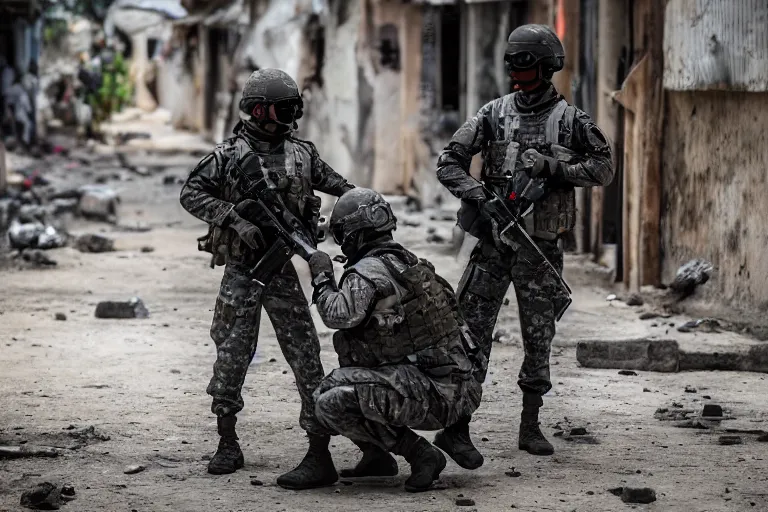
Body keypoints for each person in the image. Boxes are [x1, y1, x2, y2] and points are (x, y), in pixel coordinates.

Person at [434, 24, 614, 463]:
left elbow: (603, 167)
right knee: (471, 335)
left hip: (539, 248)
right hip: (494, 243)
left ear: (548, 66)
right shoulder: (493, 114)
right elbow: (448, 163)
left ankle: (530, 424)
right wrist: (479, 195)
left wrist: (554, 168)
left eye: (526, 63)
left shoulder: (569, 121)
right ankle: (457, 428)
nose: (518, 72)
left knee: (539, 337)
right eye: (513, 62)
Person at [179, 68, 355, 489]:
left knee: (306, 356)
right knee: (232, 353)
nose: (293, 114)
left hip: (281, 272)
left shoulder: (302, 154)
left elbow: (344, 189)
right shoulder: (227, 156)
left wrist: (344, 220)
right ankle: (227, 441)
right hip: (243, 271)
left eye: (295, 106)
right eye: (285, 107)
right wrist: (234, 218)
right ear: (260, 110)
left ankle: (318, 450)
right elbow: (191, 194)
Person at [305, 188, 485, 492]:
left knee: (327, 400)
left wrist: (322, 276)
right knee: (340, 375)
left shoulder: (370, 269)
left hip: (434, 397)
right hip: (462, 393)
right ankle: (378, 458)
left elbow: (338, 315)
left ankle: (422, 455)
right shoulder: (411, 263)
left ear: (354, 233)